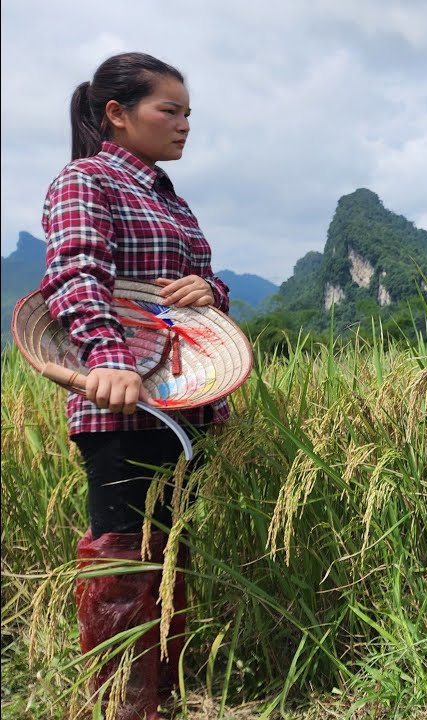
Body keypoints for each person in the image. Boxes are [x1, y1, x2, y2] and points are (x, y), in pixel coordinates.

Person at [41, 52, 232, 718]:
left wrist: (209, 290)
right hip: (120, 405)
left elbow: (206, 305)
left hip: (188, 405)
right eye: (169, 111)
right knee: (123, 556)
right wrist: (108, 359)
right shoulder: (86, 180)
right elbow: (75, 275)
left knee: (173, 550)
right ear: (117, 116)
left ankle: (166, 693)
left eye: (188, 114)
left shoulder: (171, 202)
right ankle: (126, 705)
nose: (184, 125)